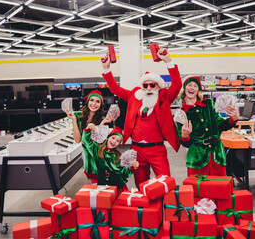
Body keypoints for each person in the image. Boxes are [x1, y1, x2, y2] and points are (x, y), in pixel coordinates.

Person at [101, 48, 182, 188]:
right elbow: (115, 89)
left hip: (157, 150)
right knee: (141, 185)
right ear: (142, 87)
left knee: (165, 183)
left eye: (152, 85)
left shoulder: (164, 97)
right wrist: (107, 69)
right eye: (145, 85)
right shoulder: (135, 96)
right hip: (136, 149)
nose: (149, 88)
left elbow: (177, 84)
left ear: (158, 86)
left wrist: (168, 61)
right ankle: (147, 210)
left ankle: (162, 208)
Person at [176, 77, 239, 176]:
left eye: (195, 86)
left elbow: (221, 125)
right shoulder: (181, 114)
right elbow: (186, 144)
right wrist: (184, 136)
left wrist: (233, 119)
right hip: (196, 157)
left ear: (198, 91)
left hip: (216, 154)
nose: (192, 87)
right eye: (189, 85)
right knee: (198, 188)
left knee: (219, 187)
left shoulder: (209, 104)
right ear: (184, 89)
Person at [66, 89, 113, 182]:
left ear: (101, 105)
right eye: (92, 100)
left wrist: (102, 125)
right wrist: (74, 121)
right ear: (87, 101)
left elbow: (101, 141)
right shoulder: (78, 116)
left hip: (99, 154)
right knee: (95, 184)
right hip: (88, 155)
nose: (94, 104)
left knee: (105, 183)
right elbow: (77, 140)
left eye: (97, 101)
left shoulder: (102, 119)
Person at [82, 126, 139, 195]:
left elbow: (123, 172)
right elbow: (86, 141)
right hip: (103, 186)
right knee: (104, 203)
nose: (114, 141)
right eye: (113, 138)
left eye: (118, 141)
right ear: (108, 137)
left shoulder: (118, 156)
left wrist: (133, 167)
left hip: (118, 187)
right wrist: (87, 129)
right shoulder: (96, 149)